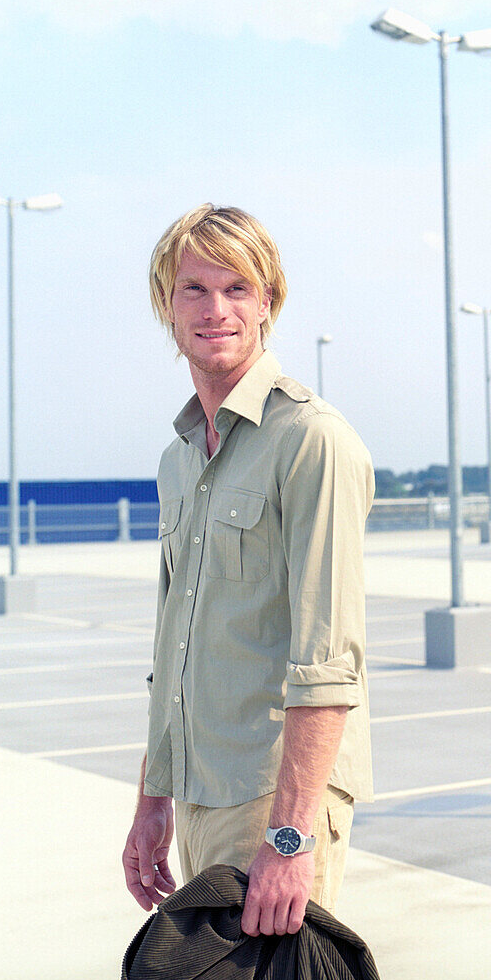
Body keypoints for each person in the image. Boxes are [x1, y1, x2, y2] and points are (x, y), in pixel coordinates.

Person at [122, 204, 374, 938]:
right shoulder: (179, 458)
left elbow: (327, 664)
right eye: (194, 289)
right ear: (167, 306)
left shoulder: (311, 442)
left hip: (273, 804)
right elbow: (175, 651)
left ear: (269, 302)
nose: (216, 310)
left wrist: (290, 839)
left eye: (237, 288)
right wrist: (153, 799)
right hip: (201, 796)